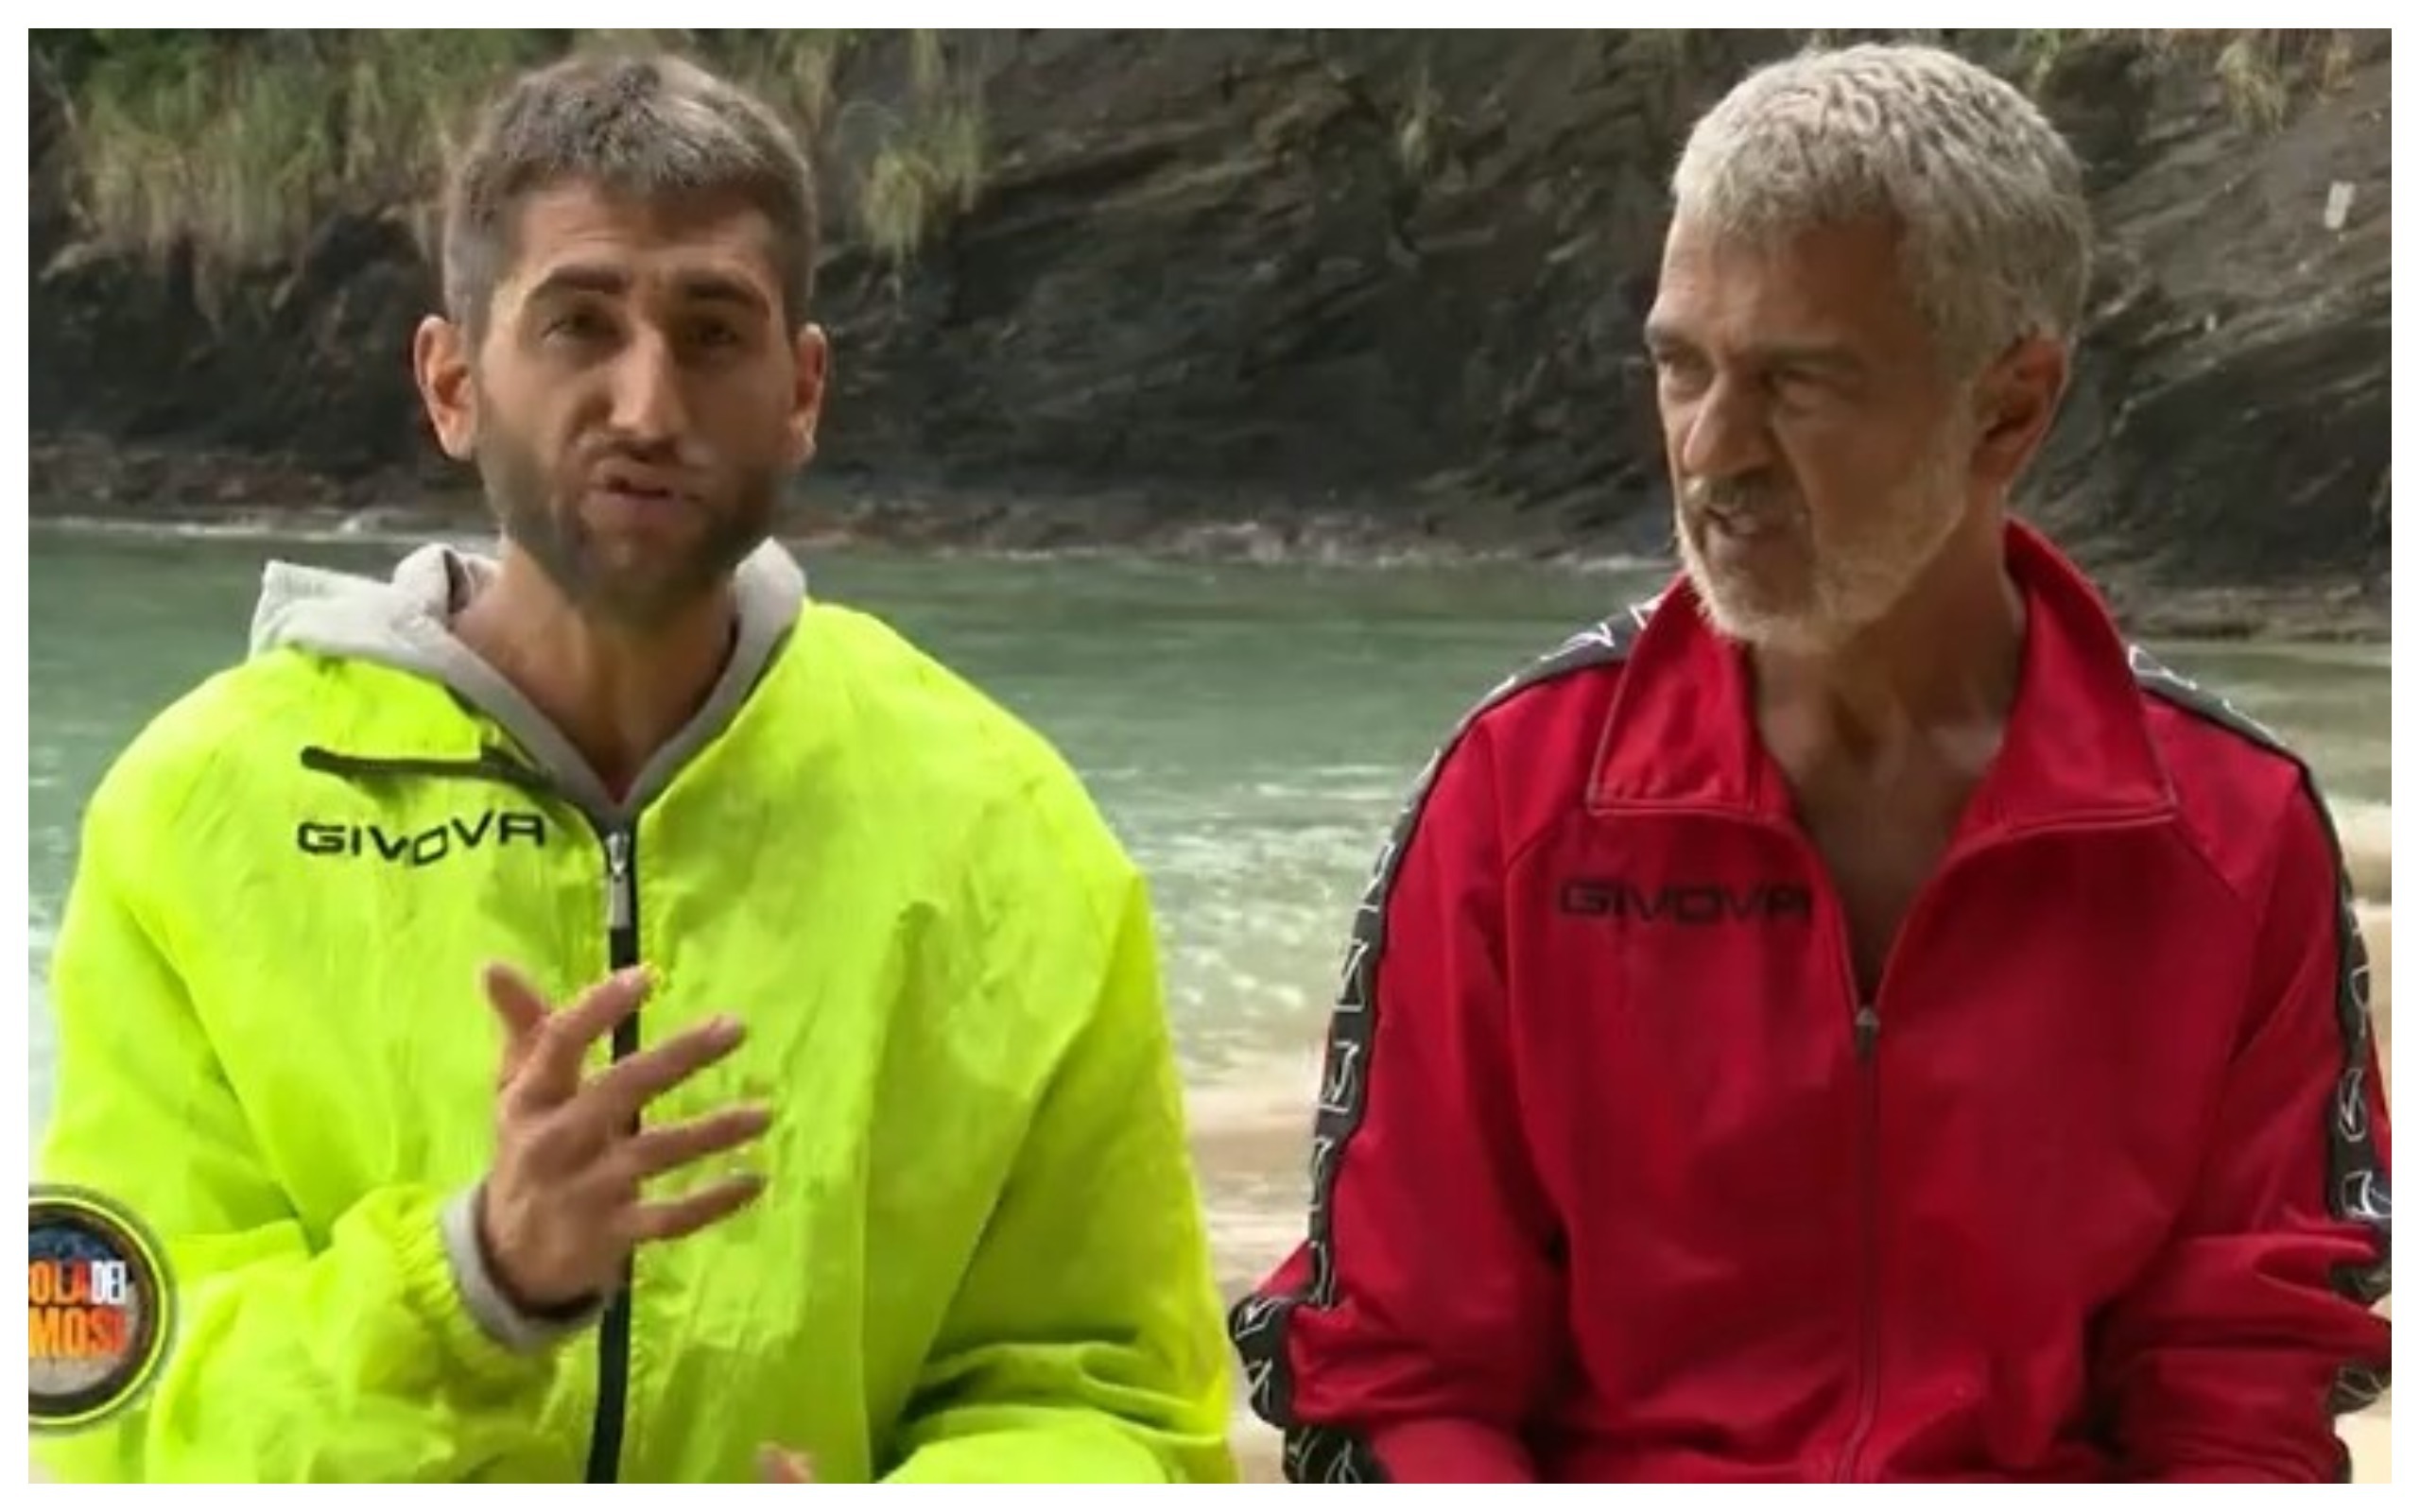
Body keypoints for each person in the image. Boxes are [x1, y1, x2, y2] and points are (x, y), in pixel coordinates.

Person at [33, 49, 1236, 1485]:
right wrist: (473, 1284)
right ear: (453, 382)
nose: (649, 405)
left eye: (713, 332)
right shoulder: (200, 811)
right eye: (579, 324)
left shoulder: (1001, 825)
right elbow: (100, 1404)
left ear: (802, 391)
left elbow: (1110, 1397)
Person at [1229, 41, 2391, 1483]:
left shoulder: (2231, 835)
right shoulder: (1518, 798)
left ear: (2010, 407)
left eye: (1800, 381)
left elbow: (2243, 1399)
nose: (1713, 452)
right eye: (1681, 366)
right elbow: (1398, 1369)